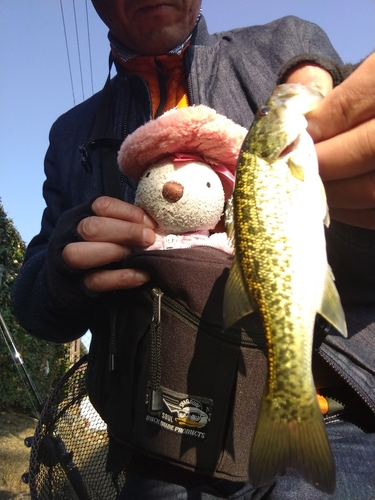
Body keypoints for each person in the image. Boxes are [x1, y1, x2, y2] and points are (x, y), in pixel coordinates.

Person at [11, 1, 375, 498]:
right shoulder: (71, 134)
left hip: (335, 415)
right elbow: (31, 305)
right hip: (167, 437)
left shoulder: (288, 46)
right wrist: (63, 265)